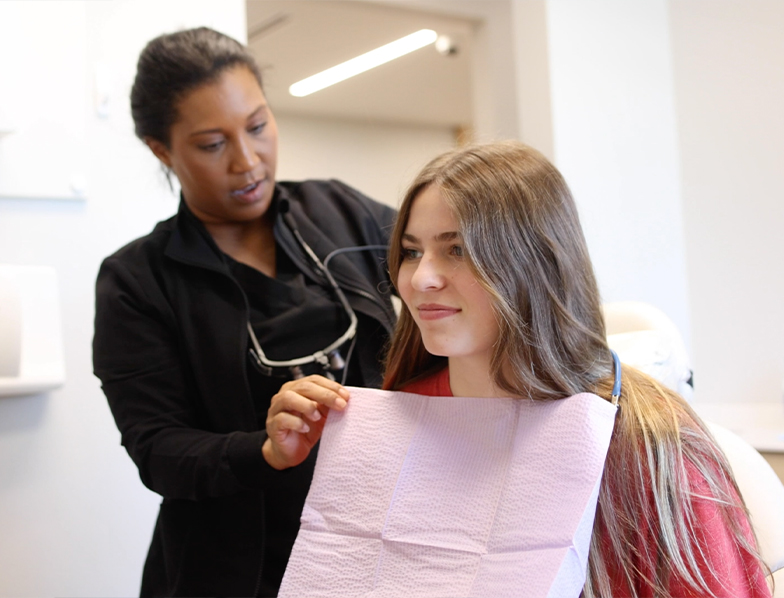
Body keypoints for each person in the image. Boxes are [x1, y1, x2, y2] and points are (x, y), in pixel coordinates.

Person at [382, 141, 772, 598]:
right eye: (411, 252)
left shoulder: (643, 441)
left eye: (458, 250)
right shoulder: (402, 416)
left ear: (533, 263)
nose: (421, 277)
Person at [92, 27, 397, 597]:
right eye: (212, 144)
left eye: (258, 126)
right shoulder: (137, 281)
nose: (248, 160)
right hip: (236, 568)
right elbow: (158, 449)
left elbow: (448, 272)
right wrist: (263, 447)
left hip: (374, 542)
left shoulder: (338, 210)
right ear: (162, 150)